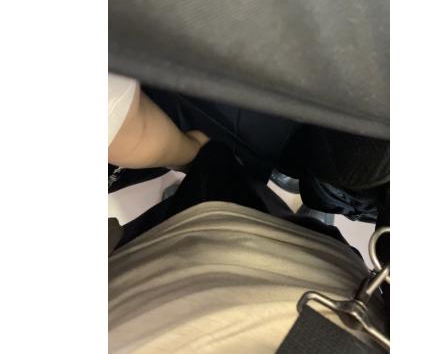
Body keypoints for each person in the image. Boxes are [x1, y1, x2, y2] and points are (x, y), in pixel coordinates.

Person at [108, 75, 385, 352]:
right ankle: (281, 190)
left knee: (228, 189)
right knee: (257, 200)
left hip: (238, 290)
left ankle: (210, 176)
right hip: (324, 304)